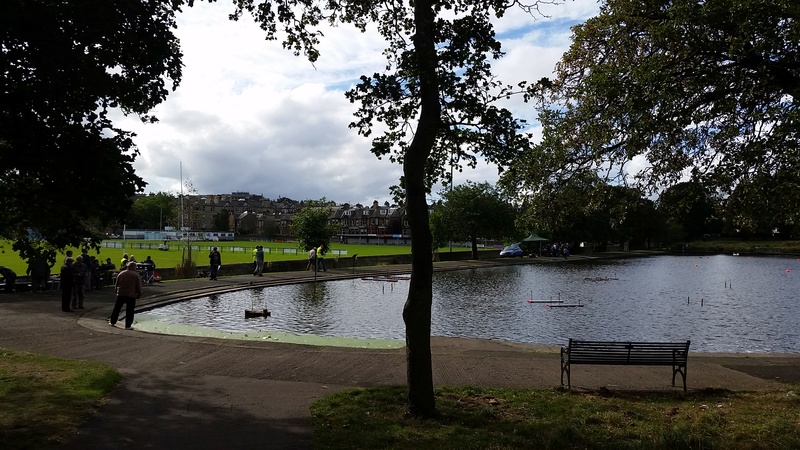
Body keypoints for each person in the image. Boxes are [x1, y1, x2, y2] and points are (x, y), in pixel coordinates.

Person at [109, 261, 142, 330]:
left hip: (121, 293)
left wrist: (116, 292)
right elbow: (138, 286)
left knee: (117, 308)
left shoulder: (121, 274)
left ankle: (112, 322)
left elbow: (116, 284)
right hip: (131, 295)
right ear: (133, 267)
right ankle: (128, 325)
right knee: (130, 311)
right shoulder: (136, 275)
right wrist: (139, 294)